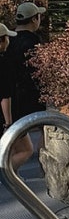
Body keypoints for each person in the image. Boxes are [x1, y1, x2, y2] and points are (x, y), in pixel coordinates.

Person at [0, 21, 34, 169]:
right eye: (7, 38)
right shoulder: (3, 63)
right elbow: (5, 95)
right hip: (7, 116)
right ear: (2, 40)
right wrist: (8, 123)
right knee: (26, 150)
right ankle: (5, 175)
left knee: (10, 151)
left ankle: (12, 177)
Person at [4, 1, 46, 119]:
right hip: (30, 95)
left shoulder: (7, 39)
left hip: (9, 95)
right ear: (34, 19)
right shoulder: (33, 40)